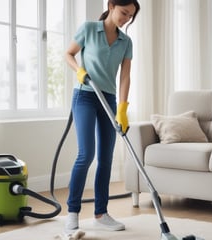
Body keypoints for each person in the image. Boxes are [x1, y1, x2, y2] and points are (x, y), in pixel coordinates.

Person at [64, 0, 140, 233]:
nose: (126, 19)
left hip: (108, 100)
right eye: (124, 13)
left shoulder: (126, 42)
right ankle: (73, 213)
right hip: (85, 95)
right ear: (111, 5)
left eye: (130, 17)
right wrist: (79, 70)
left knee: (106, 158)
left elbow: (125, 77)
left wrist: (123, 109)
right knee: (86, 154)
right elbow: (68, 53)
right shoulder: (88, 28)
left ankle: (101, 213)